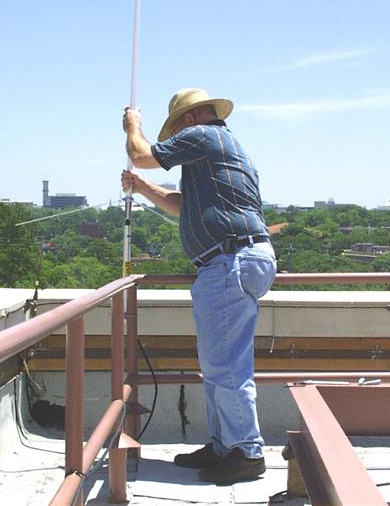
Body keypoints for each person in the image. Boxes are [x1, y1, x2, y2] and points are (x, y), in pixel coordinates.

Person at [122, 88, 276, 485]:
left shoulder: (204, 136)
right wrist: (142, 189)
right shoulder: (217, 150)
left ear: (187, 120)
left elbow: (142, 154)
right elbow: (181, 204)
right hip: (235, 259)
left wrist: (132, 126)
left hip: (229, 260)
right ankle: (225, 445)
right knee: (219, 363)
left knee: (225, 364)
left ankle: (245, 452)